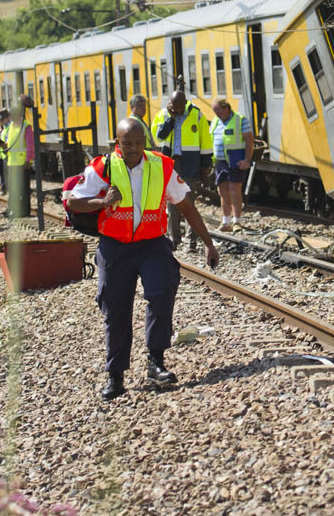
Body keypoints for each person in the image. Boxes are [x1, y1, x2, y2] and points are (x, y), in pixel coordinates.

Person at [65, 118, 219, 401]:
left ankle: (156, 362)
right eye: (127, 144)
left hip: (152, 245)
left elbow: (185, 204)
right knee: (115, 308)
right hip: (115, 246)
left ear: (145, 142)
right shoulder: (103, 168)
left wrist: (209, 243)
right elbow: (73, 202)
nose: (133, 149)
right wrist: (102, 202)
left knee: (162, 292)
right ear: (117, 143)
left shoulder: (161, 166)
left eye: (138, 143)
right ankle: (116, 376)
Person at [151, 91, 212, 250]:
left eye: (180, 107)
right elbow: (159, 136)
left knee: (189, 203)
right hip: (170, 164)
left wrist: (205, 165)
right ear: (170, 104)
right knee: (172, 203)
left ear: (185, 102)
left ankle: (192, 242)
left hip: (190, 163)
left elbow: (205, 141)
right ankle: (174, 240)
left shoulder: (196, 114)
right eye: (174, 107)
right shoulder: (164, 114)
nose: (177, 110)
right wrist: (170, 119)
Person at [210, 99, 255, 229]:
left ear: (226, 108)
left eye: (218, 111)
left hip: (236, 160)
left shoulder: (240, 120)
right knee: (222, 191)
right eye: (215, 112)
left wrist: (247, 159)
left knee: (235, 190)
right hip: (220, 161)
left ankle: (237, 221)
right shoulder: (215, 121)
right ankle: (226, 221)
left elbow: (249, 140)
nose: (216, 114)